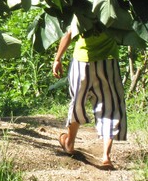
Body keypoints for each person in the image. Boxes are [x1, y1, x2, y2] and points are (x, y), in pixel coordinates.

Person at [52, 30, 127, 169]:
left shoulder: (81, 8)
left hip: (82, 61)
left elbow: (69, 33)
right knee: (110, 106)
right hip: (108, 61)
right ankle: (106, 156)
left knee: (77, 103)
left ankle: (69, 143)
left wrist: (58, 58)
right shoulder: (115, 8)